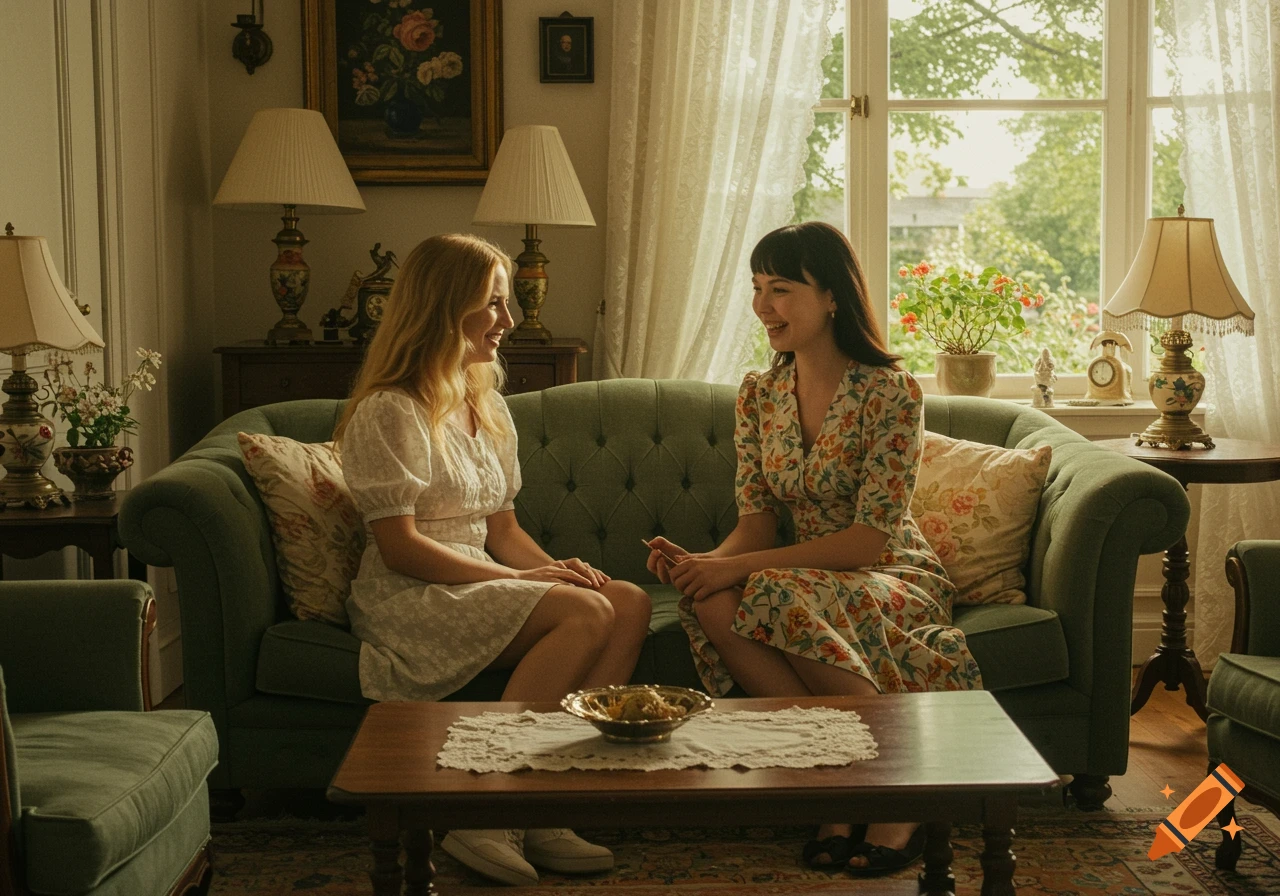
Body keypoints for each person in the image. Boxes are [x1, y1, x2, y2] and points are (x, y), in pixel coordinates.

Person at [644, 221, 983, 877]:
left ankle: (898, 799)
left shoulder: (890, 392)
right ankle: (839, 783)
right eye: (756, 287)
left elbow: (868, 539)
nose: (762, 306)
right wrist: (705, 565)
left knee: (766, 590)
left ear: (832, 297)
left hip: (888, 570)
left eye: (780, 289)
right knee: (711, 602)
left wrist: (737, 567)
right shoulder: (759, 394)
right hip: (802, 577)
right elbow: (756, 524)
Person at [335, 233, 652, 887]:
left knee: (625, 601)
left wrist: (555, 570)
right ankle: (487, 804)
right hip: (410, 589)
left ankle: (545, 806)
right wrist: (522, 580)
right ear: (443, 306)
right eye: (493, 303)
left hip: (477, 576)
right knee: (584, 615)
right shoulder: (390, 410)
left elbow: (502, 528)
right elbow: (400, 546)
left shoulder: (488, 405)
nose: (508, 319)